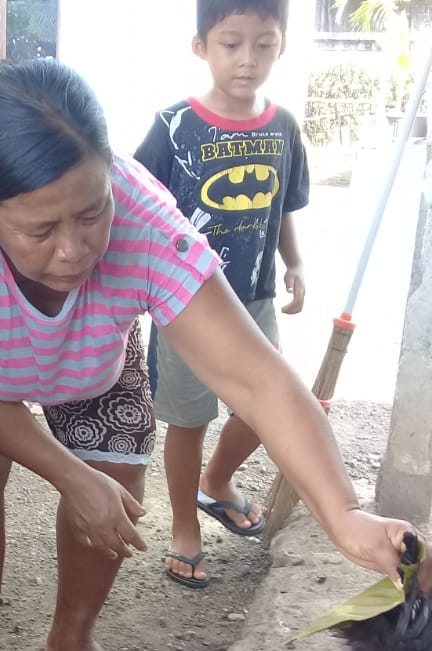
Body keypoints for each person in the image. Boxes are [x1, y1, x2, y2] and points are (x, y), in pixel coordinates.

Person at [0, 57, 432, 651]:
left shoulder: (144, 219)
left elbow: (256, 377)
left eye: (93, 212)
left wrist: (344, 515)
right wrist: (68, 475)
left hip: (91, 351)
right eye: (40, 230)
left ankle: (72, 639)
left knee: (117, 474)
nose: (74, 249)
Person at [138, 0, 310, 588]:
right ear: (201, 47)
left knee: (269, 406)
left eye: (264, 44)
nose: (247, 59)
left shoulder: (284, 127)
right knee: (188, 420)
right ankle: (184, 527)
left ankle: (215, 481)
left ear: (281, 46)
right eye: (231, 43)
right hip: (184, 303)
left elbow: (283, 204)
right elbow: (137, 205)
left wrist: (295, 263)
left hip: (256, 298)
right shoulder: (172, 126)